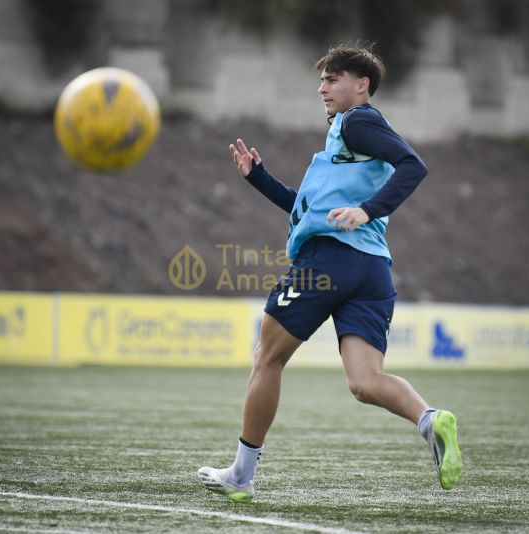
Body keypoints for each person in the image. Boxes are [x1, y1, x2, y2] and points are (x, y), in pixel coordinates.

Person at [198, 44, 462, 502]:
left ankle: (241, 475)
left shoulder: (358, 121)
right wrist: (258, 178)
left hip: (330, 261)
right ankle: (429, 419)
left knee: (267, 357)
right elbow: (309, 209)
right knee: (365, 382)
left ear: (362, 85)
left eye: (333, 78)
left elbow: (413, 166)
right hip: (372, 270)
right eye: (321, 80)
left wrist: (367, 209)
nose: (323, 88)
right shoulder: (347, 145)